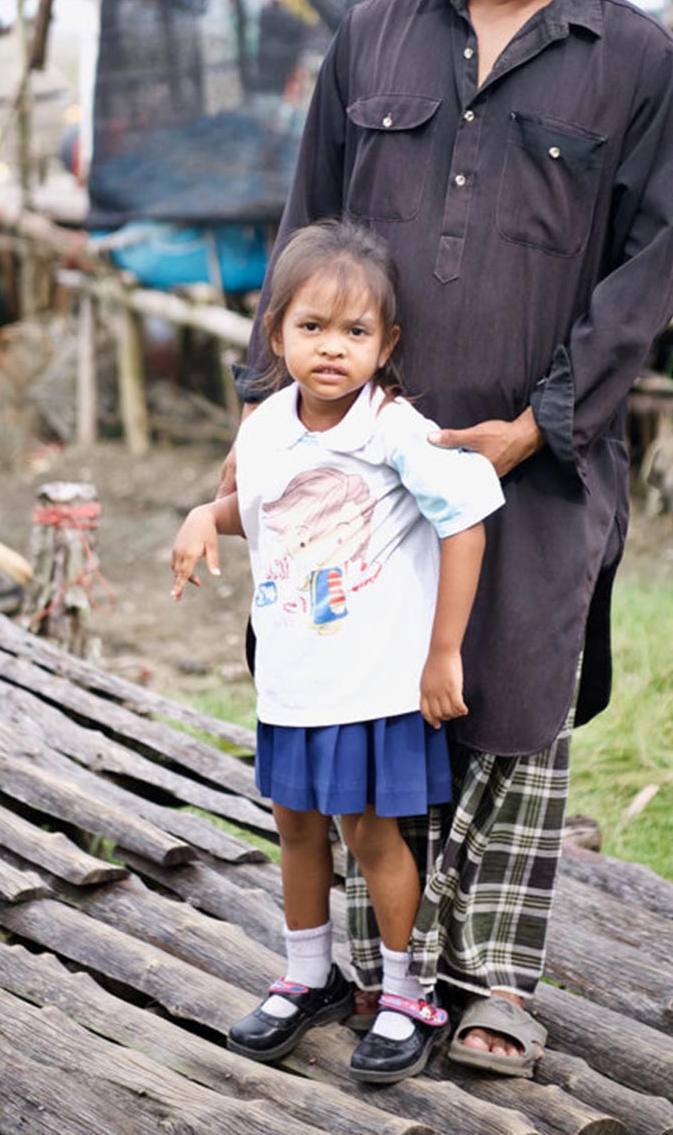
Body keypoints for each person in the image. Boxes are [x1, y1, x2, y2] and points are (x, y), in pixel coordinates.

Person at [225, 0, 673, 1074]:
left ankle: (494, 982)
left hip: (537, 462)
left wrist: (540, 426)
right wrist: (267, 407)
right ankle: (390, 977)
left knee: (512, 698)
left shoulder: (641, 64)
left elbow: (650, 269)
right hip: (360, 469)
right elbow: (303, 235)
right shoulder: (372, 35)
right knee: (367, 700)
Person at [171, 219, 504, 1083]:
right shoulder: (267, 428)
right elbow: (262, 506)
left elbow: (467, 517)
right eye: (312, 328)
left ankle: (406, 995)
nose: (331, 349)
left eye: (356, 332)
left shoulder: (395, 430)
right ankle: (308, 977)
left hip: (374, 679)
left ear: (386, 344)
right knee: (294, 828)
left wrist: (444, 654)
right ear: (276, 330)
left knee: (372, 834)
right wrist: (206, 515)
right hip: (294, 677)